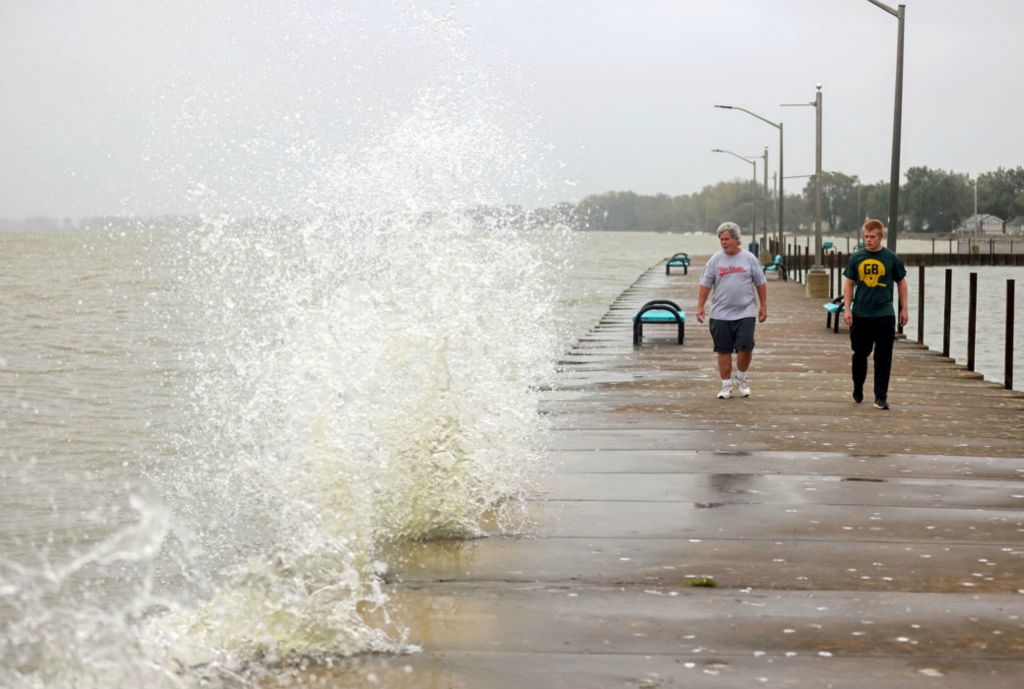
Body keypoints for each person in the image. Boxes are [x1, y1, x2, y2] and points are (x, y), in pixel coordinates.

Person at [842, 218, 908, 410]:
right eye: (866, 237)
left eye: (872, 237)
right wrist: (847, 309)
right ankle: (858, 387)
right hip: (861, 314)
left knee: (883, 356)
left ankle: (881, 396)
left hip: (884, 314)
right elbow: (849, 283)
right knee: (860, 354)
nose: (868, 240)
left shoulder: (891, 258)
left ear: (881, 237)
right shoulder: (856, 257)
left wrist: (905, 308)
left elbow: (901, 282)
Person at [696, 222, 768, 399]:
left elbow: (760, 282)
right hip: (720, 313)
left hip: (746, 312)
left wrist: (763, 305)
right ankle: (726, 385)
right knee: (723, 349)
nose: (723, 242)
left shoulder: (749, 258)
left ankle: (741, 378)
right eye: (721, 239)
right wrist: (700, 306)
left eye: (726, 238)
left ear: (736, 239)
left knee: (745, 346)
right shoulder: (715, 260)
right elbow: (705, 284)